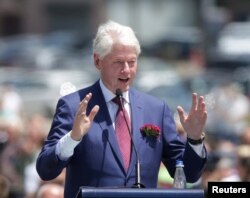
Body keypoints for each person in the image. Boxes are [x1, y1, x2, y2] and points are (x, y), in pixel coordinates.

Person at [36, 20, 207, 198]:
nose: (126, 70)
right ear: (97, 61)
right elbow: (45, 169)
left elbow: (188, 174)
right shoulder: (74, 106)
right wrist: (72, 138)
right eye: (118, 62)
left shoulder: (156, 109)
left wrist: (194, 140)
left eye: (132, 62)